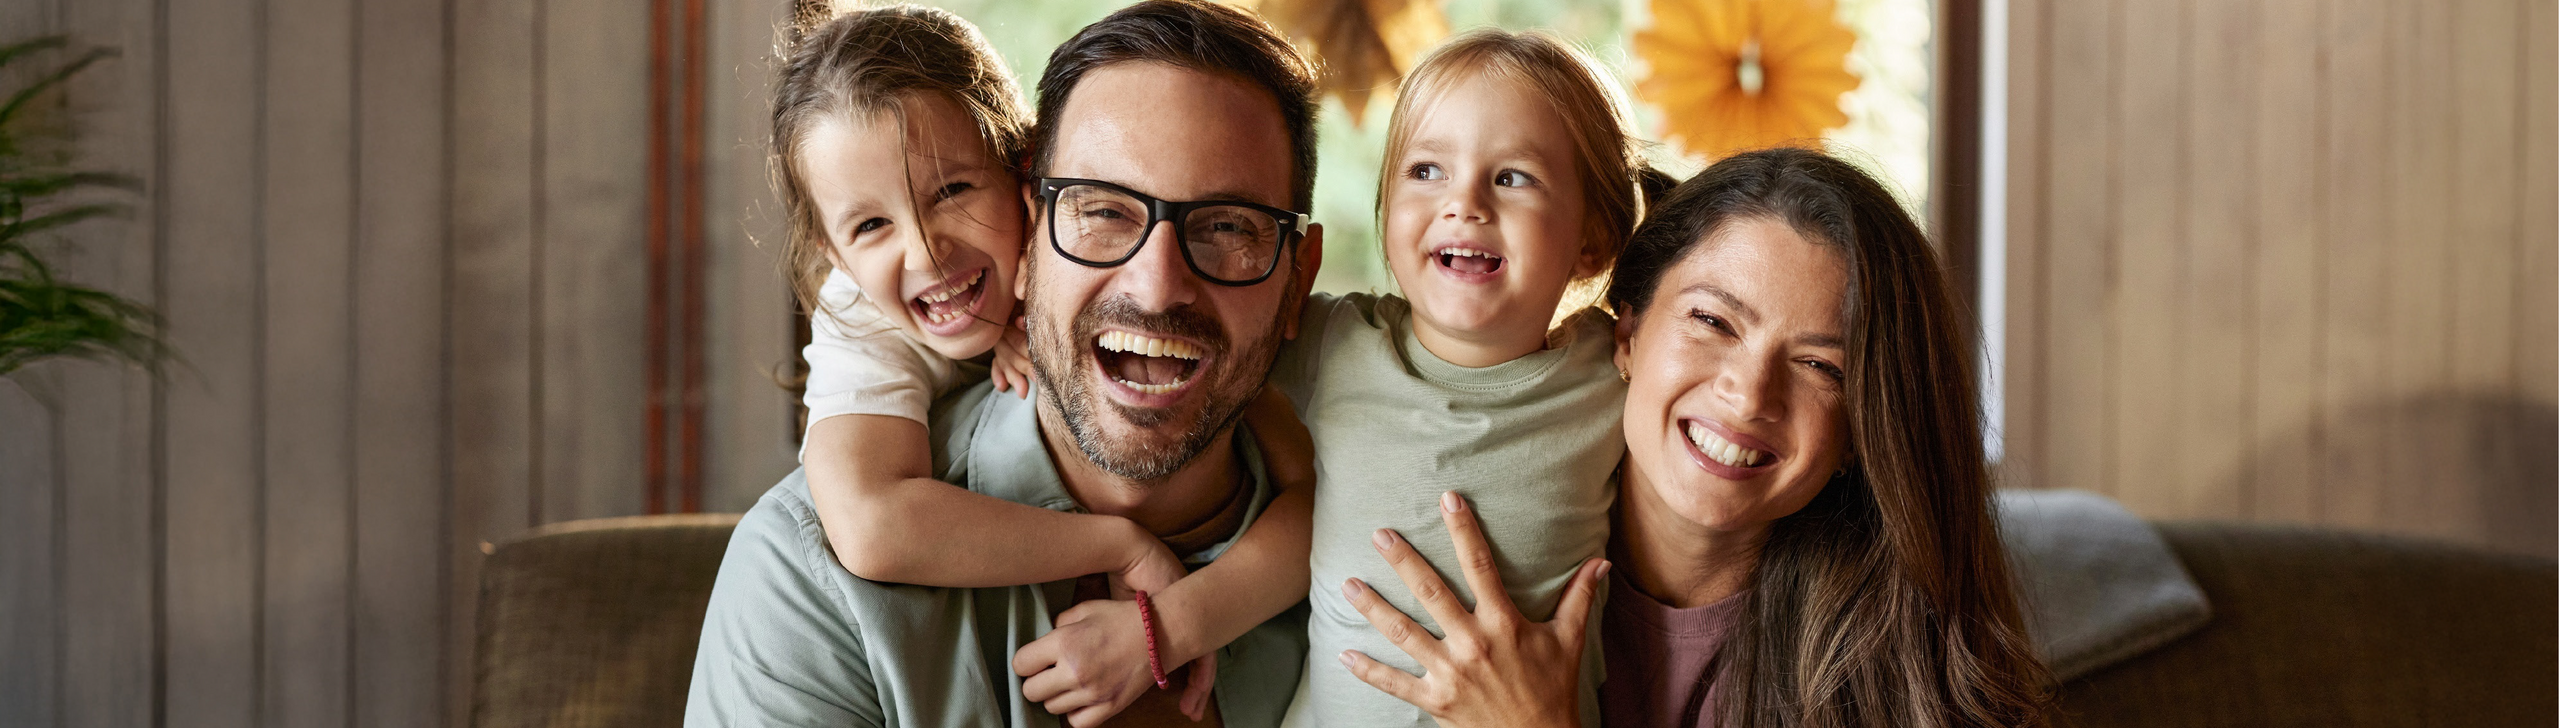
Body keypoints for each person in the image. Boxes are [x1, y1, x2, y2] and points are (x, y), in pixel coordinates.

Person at [684, 2, 1327, 725]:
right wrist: (1121, 544)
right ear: (1038, 225)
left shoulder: (1389, 546)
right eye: (1103, 210)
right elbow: (869, 524)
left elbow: (1320, 490)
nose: (1156, 286)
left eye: (1226, 225)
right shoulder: (808, 573)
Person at [1334, 148, 2053, 728]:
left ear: (1867, 430)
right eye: (1713, 322)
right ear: (1627, 335)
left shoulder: (1907, 681)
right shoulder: (1463, 534)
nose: (1749, 392)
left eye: (1818, 365)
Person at [1263, 28, 1663, 728]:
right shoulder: (1333, 344)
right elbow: (1199, 346)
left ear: (1592, 238)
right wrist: (1009, 342)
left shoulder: (1614, 372)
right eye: (1425, 171)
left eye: (1512, 177)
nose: (1465, 202)